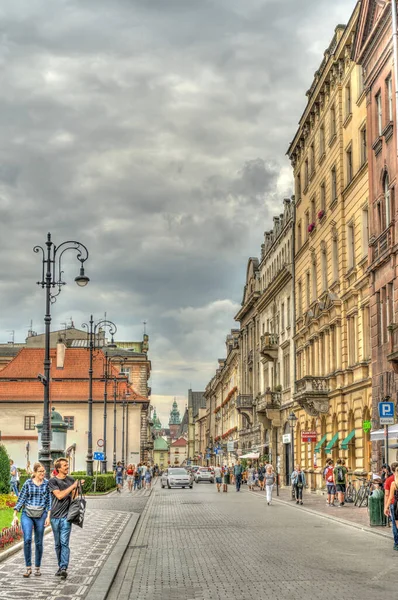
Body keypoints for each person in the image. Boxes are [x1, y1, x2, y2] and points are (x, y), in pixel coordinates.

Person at [12, 462, 51, 578]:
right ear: (34, 472)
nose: (42, 473)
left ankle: (37, 568)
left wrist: (48, 517)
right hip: (27, 514)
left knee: (39, 542)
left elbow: (49, 502)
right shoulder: (28, 483)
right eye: (40, 471)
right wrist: (15, 515)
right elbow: (21, 499)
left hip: (41, 515)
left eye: (43, 471)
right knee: (27, 539)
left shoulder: (47, 484)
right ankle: (28, 568)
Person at [48, 457, 84, 580]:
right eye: (64, 465)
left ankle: (63, 567)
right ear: (58, 469)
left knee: (64, 543)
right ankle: (60, 566)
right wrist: (72, 486)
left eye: (67, 465)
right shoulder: (53, 482)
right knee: (57, 544)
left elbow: (73, 497)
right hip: (54, 517)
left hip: (66, 517)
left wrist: (77, 487)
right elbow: (59, 496)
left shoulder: (71, 480)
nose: (67, 467)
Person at [384, 462, 398, 549]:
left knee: (395, 524)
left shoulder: (391, 481)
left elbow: (388, 495)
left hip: (395, 504)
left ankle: (396, 543)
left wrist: (386, 507)